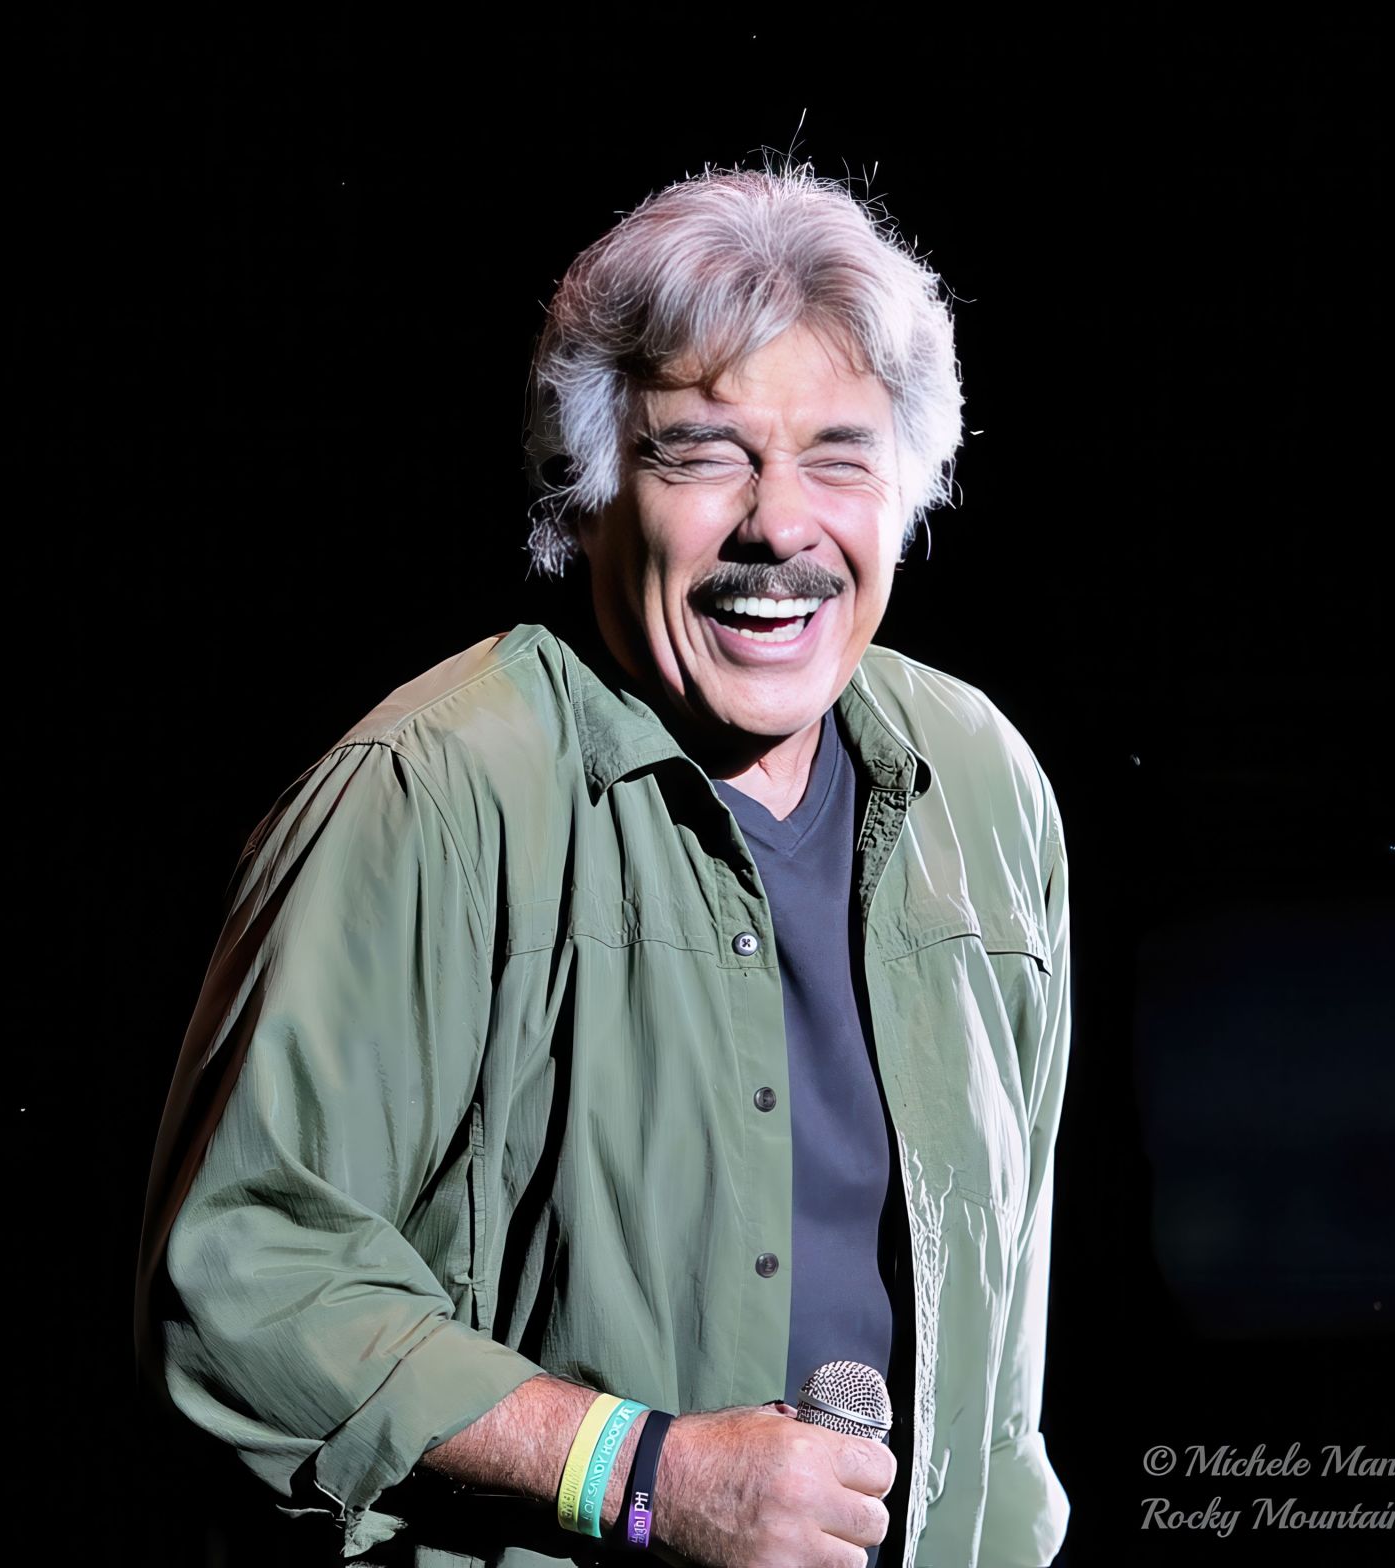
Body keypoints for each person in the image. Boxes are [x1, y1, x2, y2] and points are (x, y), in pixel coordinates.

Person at [135, 162, 1071, 1568]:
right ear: (587, 491)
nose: (779, 523)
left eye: (838, 453)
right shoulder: (432, 797)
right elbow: (245, 1285)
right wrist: (644, 1474)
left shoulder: (984, 784)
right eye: (701, 453)